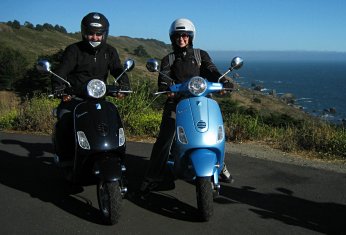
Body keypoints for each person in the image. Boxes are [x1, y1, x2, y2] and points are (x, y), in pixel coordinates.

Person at [140, 18, 234, 195]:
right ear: (172, 38)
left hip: (201, 100)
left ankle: (220, 165)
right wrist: (167, 89)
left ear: (191, 37)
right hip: (177, 103)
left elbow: (211, 70)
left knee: (215, 130)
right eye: (177, 36)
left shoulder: (200, 55)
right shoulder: (168, 59)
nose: (181, 39)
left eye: (185, 35)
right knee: (166, 135)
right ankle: (152, 176)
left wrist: (223, 81)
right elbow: (164, 78)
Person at [51, 12, 130, 162]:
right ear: (84, 32)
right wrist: (59, 88)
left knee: (113, 122)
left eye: (98, 34)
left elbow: (117, 70)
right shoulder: (74, 50)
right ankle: (64, 158)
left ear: (104, 34)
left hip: (99, 98)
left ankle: (116, 154)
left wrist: (124, 85)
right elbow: (61, 71)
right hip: (75, 97)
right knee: (64, 121)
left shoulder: (109, 51)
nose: (94, 37)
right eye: (90, 33)